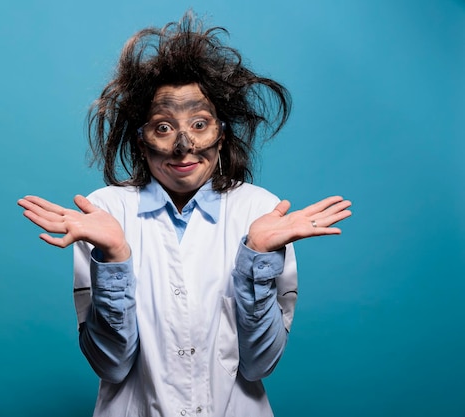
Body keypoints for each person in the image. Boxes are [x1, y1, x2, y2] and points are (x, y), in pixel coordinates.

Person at [18, 11, 351, 417]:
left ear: (221, 132)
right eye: (162, 127)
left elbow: (260, 364)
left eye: (199, 123)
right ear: (140, 141)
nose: (182, 146)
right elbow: (110, 364)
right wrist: (115, 257)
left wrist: (257, 256)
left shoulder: (261, 211)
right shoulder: (104, 213)